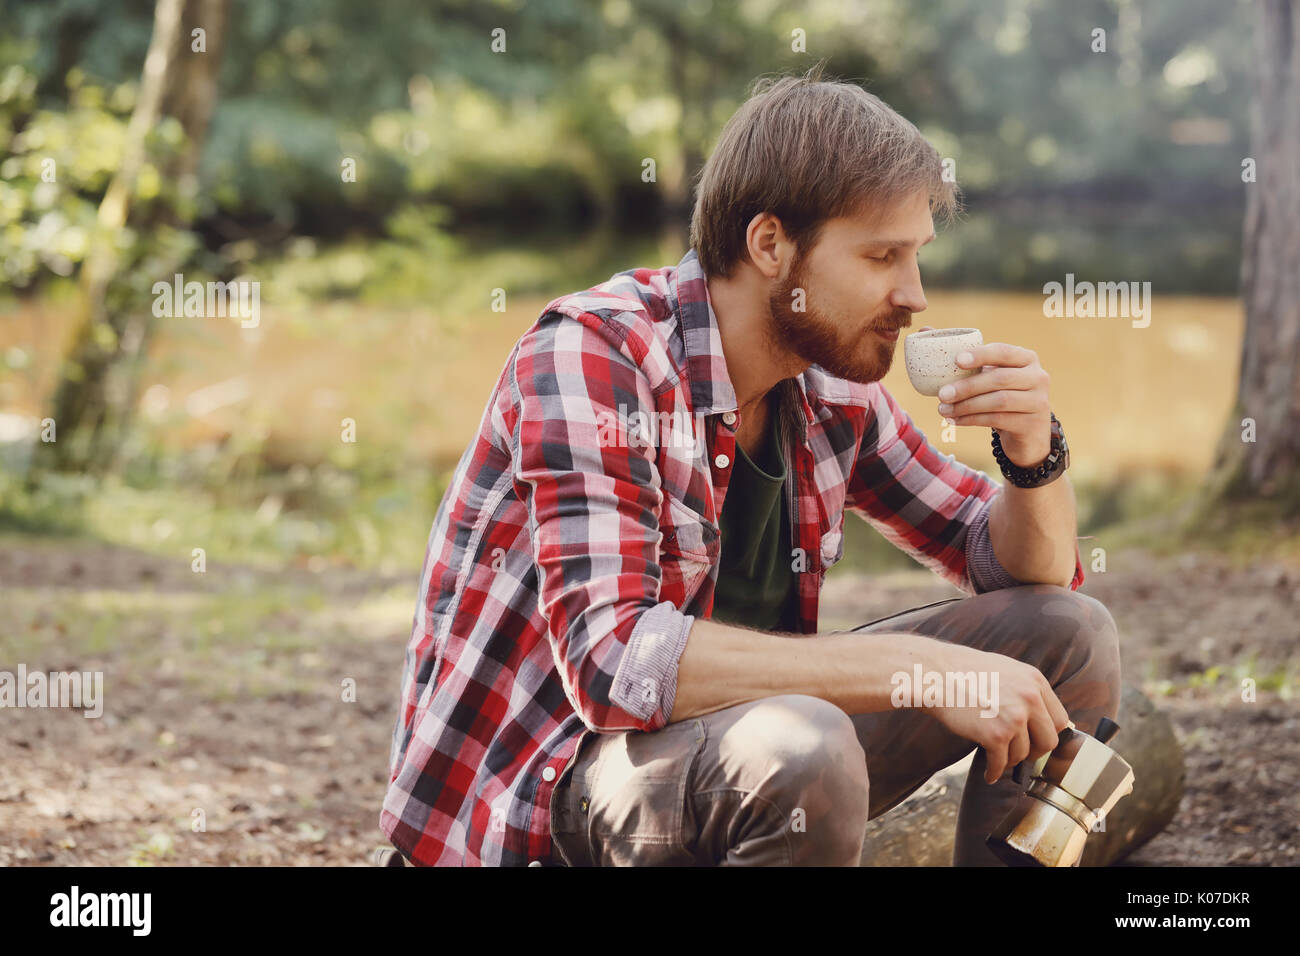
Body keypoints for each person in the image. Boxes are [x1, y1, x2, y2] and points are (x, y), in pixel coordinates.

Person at [379, 65, 1120, 867]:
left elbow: (1019, 569)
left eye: (917, 257)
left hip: (720, 759)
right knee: (806, 747)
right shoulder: (596, 357)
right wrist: (924, 671)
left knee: (1067, 632)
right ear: (769, 244)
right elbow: (612, 660)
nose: (915, 295)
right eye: (882, 256)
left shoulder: (830, 384)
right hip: (543, 794)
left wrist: (1032, 456)